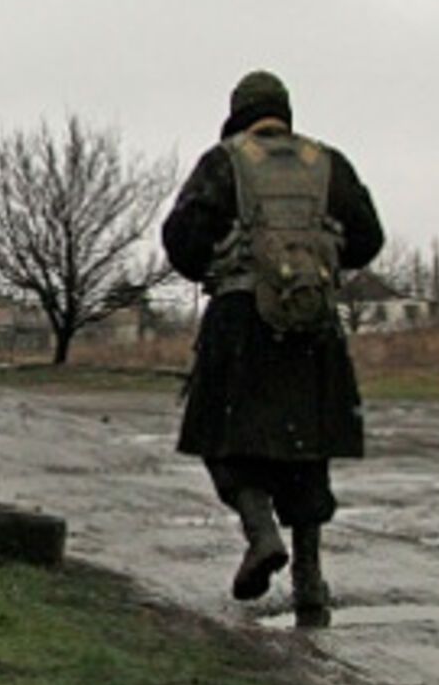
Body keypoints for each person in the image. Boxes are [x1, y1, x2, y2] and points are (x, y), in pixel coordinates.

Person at [162, 71, 384, 627]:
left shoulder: (223, 162)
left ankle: (260, 533)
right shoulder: (328, 164)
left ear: (239, 114)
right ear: (286, 112)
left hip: (240, 319)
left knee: (226, 440)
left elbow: (181, 240)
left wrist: (221, 261)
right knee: (308, 449)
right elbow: (369, 237)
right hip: (314, 323)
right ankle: (310, 581)